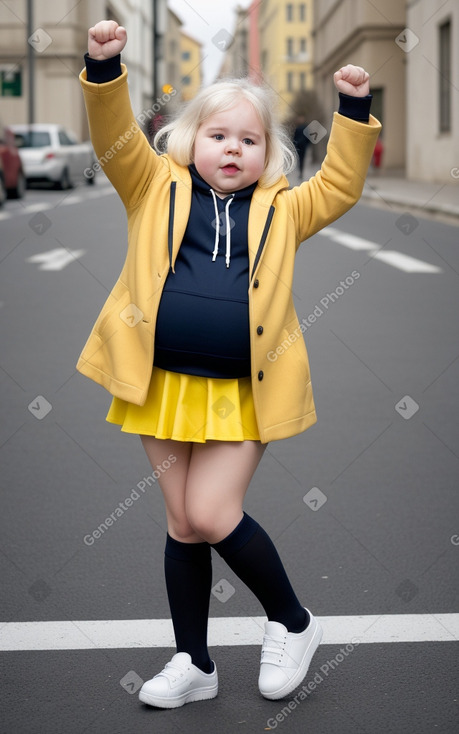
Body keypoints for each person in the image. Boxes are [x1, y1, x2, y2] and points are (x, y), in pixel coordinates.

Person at [78, 20, 381, 710]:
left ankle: (294, 623)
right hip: (160, 385)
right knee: (182, 524)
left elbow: (338, 184)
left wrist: (353, 111)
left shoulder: (285, 208)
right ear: (191, 140)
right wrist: (103, 66)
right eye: (219, 135)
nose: (233, 149)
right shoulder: (153, 186)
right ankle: (194, 662)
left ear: (266, 153)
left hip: (246, 392)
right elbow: (114, 139)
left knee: (213, 511)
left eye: (249, 140)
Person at [292, 115, 310, 179]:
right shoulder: (304, 128)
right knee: (301, 159)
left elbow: (294, 138)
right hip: (302, 146)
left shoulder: (300, 128)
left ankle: (300, 171)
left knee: (300, 159)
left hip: (300, 145)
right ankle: (301, 171)